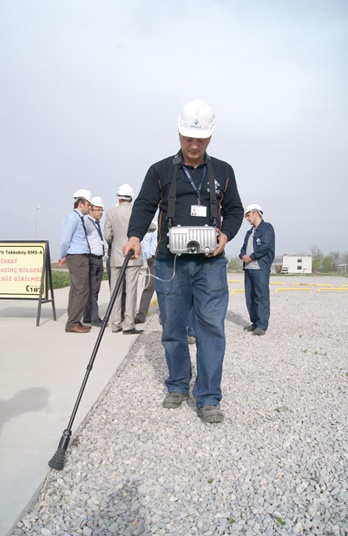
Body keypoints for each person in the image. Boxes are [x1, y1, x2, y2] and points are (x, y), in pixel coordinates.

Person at [123, 99, 244, 423]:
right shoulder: (160, 170)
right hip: (169, 262)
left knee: (211, 330)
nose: (193, 145)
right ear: (178, 134)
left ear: (210, 137)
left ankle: (207, 396)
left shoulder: (223, 171)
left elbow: (234, 210)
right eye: (188, 138)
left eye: (200, 139)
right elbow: (145, 206)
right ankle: (177, 383)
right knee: (173, 327)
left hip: (210, 265)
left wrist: (226, 235)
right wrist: (134, 236)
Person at [104, 184, 144, 335]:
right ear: (131, 197)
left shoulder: (111, 212)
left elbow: (107, 235)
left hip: (116, 256)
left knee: (115, 291)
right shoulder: (136, 211)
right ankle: (128, 324)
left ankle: (115, 323)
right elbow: (148, 226)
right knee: (131, 291)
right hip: (133, 256)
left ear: (118, 197)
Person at [58, 189, 92, 333]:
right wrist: (62, 255)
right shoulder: (74, 217)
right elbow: (65, 240)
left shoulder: (78, 218)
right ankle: (72, 322)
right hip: (77, 257)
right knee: (82, 290)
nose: (90, 208)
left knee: (75, 290)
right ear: (80, 203)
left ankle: (74, 320)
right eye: (88, 204)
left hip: (78, 256)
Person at [239, 204, 275, 336]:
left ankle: (262, 325)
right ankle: (254, 323)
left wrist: (252, 257)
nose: (247, 219)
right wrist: (242, 256)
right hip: (248, 268)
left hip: (260, 268)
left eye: (248, 215)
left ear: (255, 213)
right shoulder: (249, 232)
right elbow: (243, 248)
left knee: (261, 296)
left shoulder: (267, 228)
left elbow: (266, 246)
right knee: (250, 297)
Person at [83, 196, 106, 327]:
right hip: (91, 258)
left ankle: (87, 316)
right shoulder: (86, 222)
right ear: (90, 210)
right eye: (98, 209)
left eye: (102, 210)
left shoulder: (96, 224)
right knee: (92, 289)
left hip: (99, 258)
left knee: (96, 289)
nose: (100, 212)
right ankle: (94, 318)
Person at [135, 223, 157, 324]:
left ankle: (165, 316)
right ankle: (141, 315)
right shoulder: (154, 225)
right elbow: (146, 241)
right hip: (153, 260)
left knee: (168, 289)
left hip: (167, 260)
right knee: (149, 287)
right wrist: (148, 257)